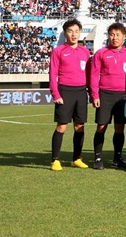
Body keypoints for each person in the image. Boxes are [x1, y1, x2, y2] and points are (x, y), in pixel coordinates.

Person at [90, 22, 126, 170]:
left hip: (123, 95)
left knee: (119, 127)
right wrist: (95, 95)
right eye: (112, 34)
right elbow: (94, 75)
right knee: (101, 126)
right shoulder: (101, 53)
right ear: (108, 36)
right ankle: (97, 158)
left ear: (123, 36)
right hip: (105, 94)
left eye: (118, 35)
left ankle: (117, 158)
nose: (114, 37)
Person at [49, 19, 92, 171]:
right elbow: (52, 74)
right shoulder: (58, 51)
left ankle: (77, 158)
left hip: (81, 92)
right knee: (62, 126)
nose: (73, 34)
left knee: (79, 126)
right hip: (64, 91)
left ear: (80, 33)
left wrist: (91, 93)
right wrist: (56, 94)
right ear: (65, 33)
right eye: (70, 31)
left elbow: (89, 74)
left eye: (76, 31)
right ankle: (55, 160)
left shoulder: (85, 52)